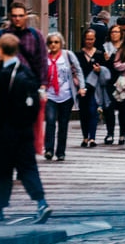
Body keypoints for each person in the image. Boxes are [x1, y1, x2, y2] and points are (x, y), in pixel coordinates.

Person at [0, 33, 51, 225]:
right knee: (28, 168)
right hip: (25, 130)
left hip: (5, 133)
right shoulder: (27, 72)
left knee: (2, 172)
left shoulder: (3, 75)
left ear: (0, 50)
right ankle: (41, 203)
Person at [42, 32, 82, 161]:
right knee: (50, 121)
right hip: (50, 95)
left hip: (66, 95)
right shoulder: (45, 57)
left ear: (61, 43)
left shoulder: (67, 55)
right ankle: (49, 149)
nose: (53, 45)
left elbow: (78, 70)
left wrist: (82, 87)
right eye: (50, 42)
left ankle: (60, 152)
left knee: (63, 124)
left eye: (56, 42)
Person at [77, 28, 108, 149]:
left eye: (91, 39)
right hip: (83, 87)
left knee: (93, 111)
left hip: (96, 87)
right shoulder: (78, 55)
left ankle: (92, 137)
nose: (89, 41)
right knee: (84, 112)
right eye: (87, 39)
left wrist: (100, 70)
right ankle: (85, 136)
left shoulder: (100, 54)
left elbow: (105, 70)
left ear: (95, 39)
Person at [100, 25, 123, 144]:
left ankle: (122, 134)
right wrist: (105, 60)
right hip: (109, 80)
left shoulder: (124, 47)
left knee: (123, 108)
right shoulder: (105, 47)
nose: (114, 34)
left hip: (122, 80)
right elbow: (102, 64)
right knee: (109, 108)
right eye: (113, 32)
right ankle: (110, 133)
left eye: (117, 32)